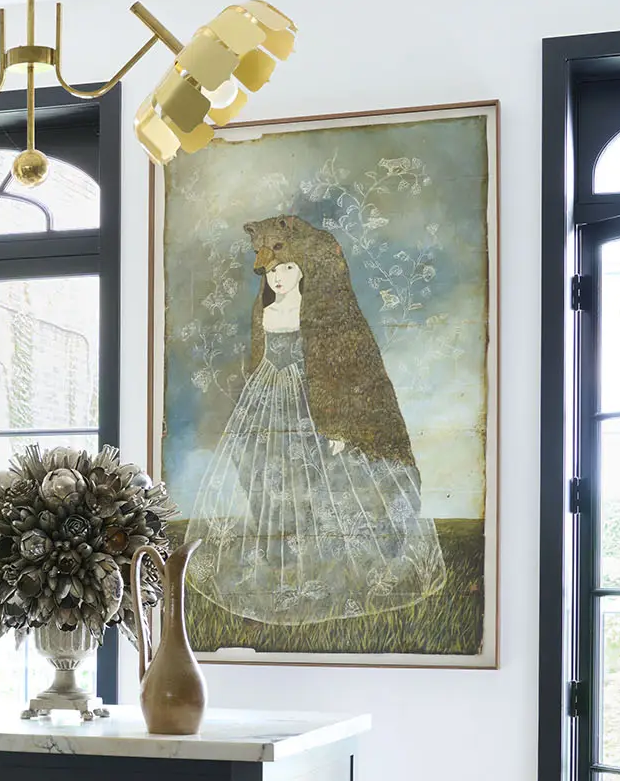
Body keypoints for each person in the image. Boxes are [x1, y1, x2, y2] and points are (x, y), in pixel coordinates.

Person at [182, 214, 445, 625]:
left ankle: (323, 561)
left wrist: (337, 424)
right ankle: (279, 554)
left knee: (318, 479)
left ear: (304, 269)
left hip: (309, 400)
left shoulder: (322, 312)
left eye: (286, 268)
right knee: (272, 475)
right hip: (267, 398)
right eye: (271, 271)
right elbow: (259, 360)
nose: (278, 278)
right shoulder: (264, 311)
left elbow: (341, 366)